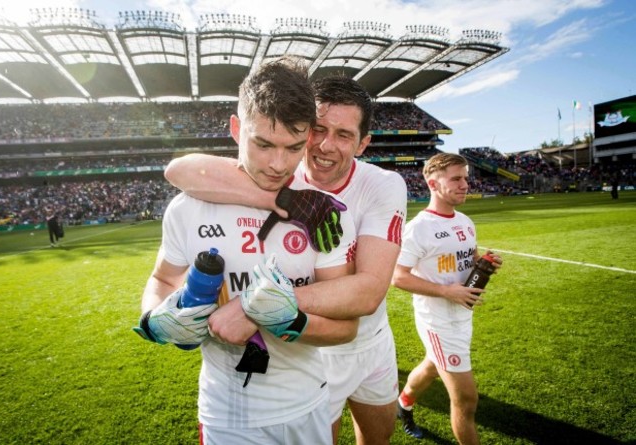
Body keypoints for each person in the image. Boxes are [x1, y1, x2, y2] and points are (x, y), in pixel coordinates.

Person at [165, 75, 408, 444]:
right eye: (319, 130)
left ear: (363, 144)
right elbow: (178, 170)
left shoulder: (382, 185)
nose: (326, 145)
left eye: (343, 135)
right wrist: (281, 200)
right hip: (311, 349)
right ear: (305, 129)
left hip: (368, 339)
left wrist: (254, 305)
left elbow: (369, 290)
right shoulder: (278, 171)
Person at [136, 56, 359, 445]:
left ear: (307, 137)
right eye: (263, 144)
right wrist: (156, 317)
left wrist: (291, 320)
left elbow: (346, 328)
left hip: (308, 406)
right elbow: (162, 279)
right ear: (237, 129)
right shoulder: (187, 208)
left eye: (293, 147)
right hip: (228, 415)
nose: (277, 164)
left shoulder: (323, 216)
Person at [391, 153, 502, 444]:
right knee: (466, 399)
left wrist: (485, 263)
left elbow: (469, 259)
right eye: (456, 178)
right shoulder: (419, 228)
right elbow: (397, 276)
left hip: (462, 314)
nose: (465, 184)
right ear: (433, 183)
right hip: (438, 320)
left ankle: (403, 403)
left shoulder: (465, 221)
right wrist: (446, 291)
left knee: (431, 365)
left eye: (465, 177)